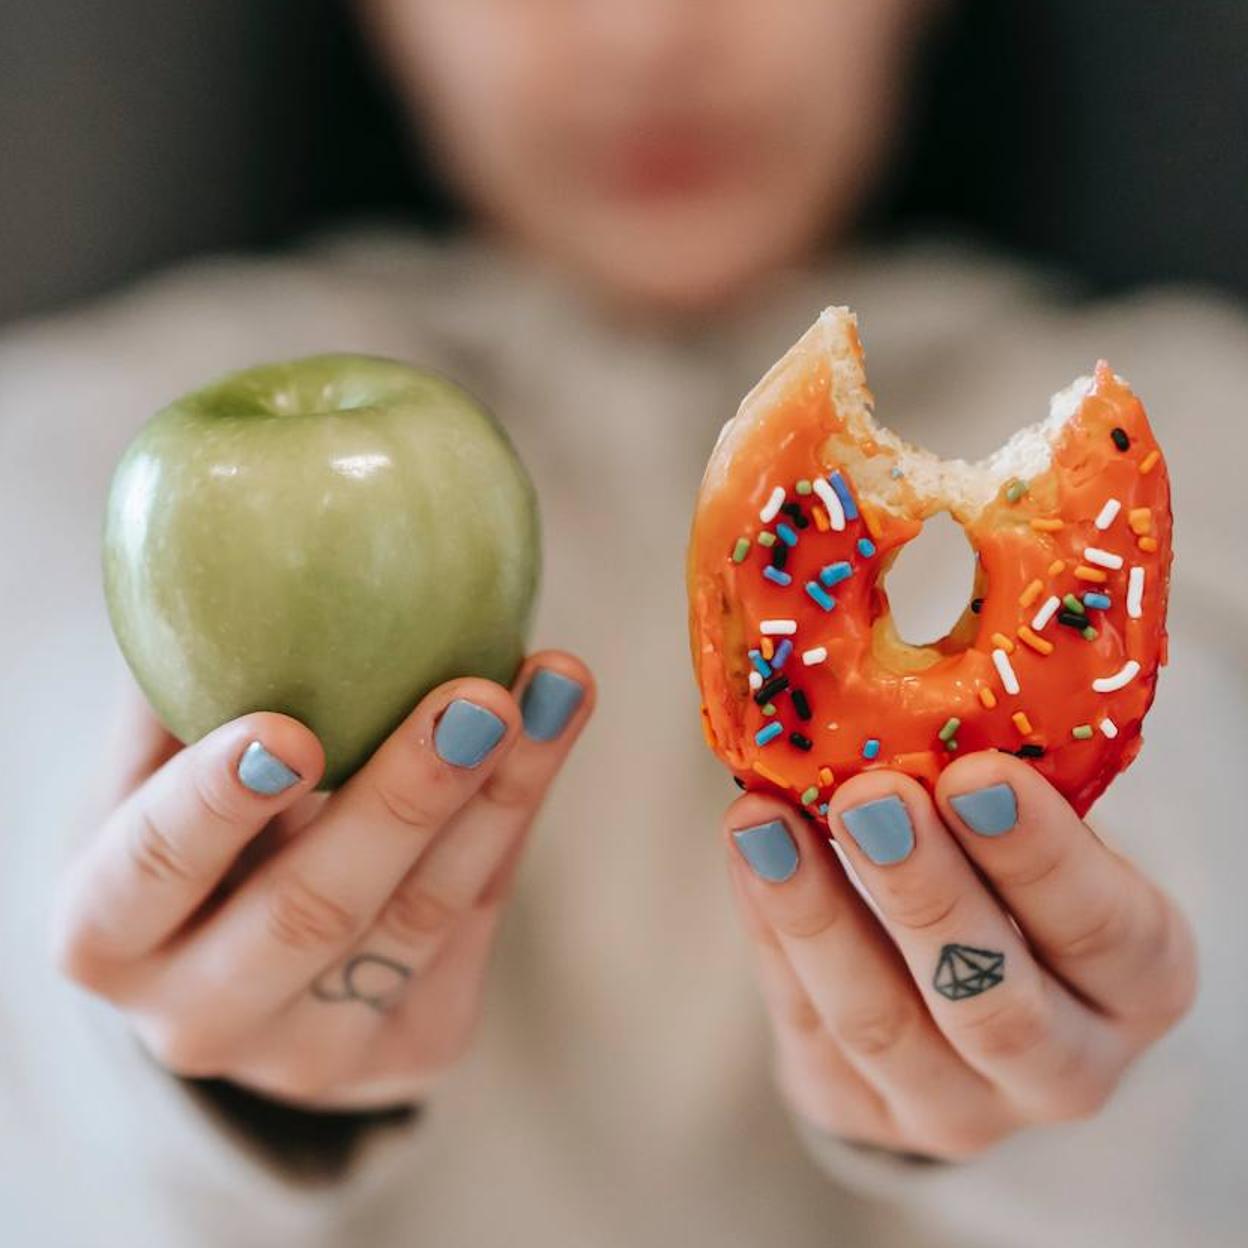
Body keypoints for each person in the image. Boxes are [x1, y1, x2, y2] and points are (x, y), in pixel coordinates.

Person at [1, 1, 1245, 1244]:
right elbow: (47, 758)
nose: (646, 36)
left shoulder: (1209, 422)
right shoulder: (65, 435)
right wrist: (161, 1047)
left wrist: (1116, 1042)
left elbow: (1196, 773)